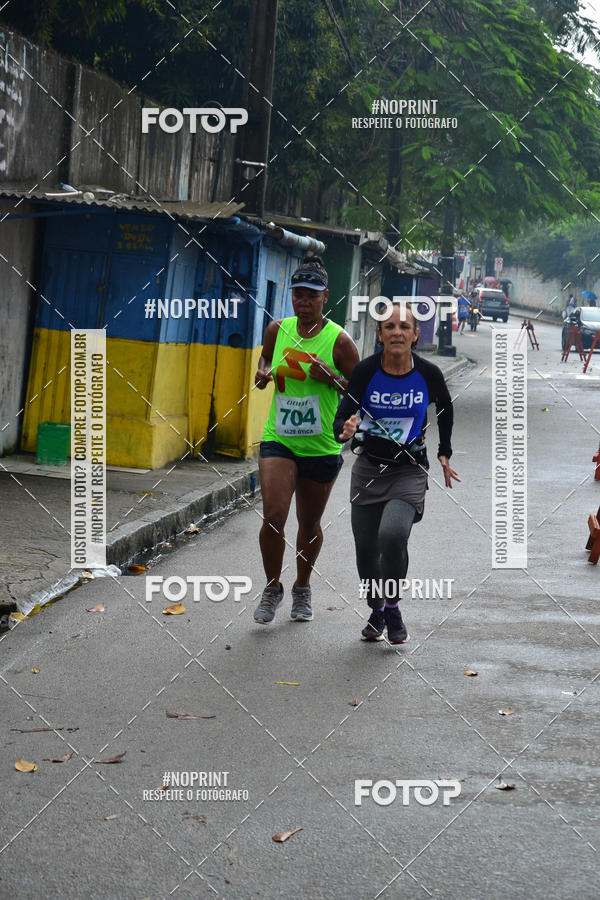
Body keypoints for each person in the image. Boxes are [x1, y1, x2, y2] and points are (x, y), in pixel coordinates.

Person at [334, 302, 459, 644]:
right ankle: (377, 609)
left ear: (416, 335)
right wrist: (343, 430)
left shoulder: (429, 373)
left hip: (409, 471)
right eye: (389, 327)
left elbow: (446, 408)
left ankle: (392, 606)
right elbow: (343, 415)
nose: (397, 332)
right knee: (366, 550)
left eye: (405, 326)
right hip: (369, 471)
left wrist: (444, 452)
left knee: (391, 535)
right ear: (380, 335)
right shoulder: (365, 371)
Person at [253, 255, 359, 624]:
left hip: (321, 445)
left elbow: (360, 390)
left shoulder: (340, 341)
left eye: (312, 296)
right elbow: (265, 361)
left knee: (309, 524)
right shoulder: (276, 330)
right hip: (279, 439)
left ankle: (302, 586)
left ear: (325, 297)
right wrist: (263, 374)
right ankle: (272, 587)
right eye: (298, 295)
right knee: (273, 517)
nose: (304, 302)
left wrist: (332, 376)